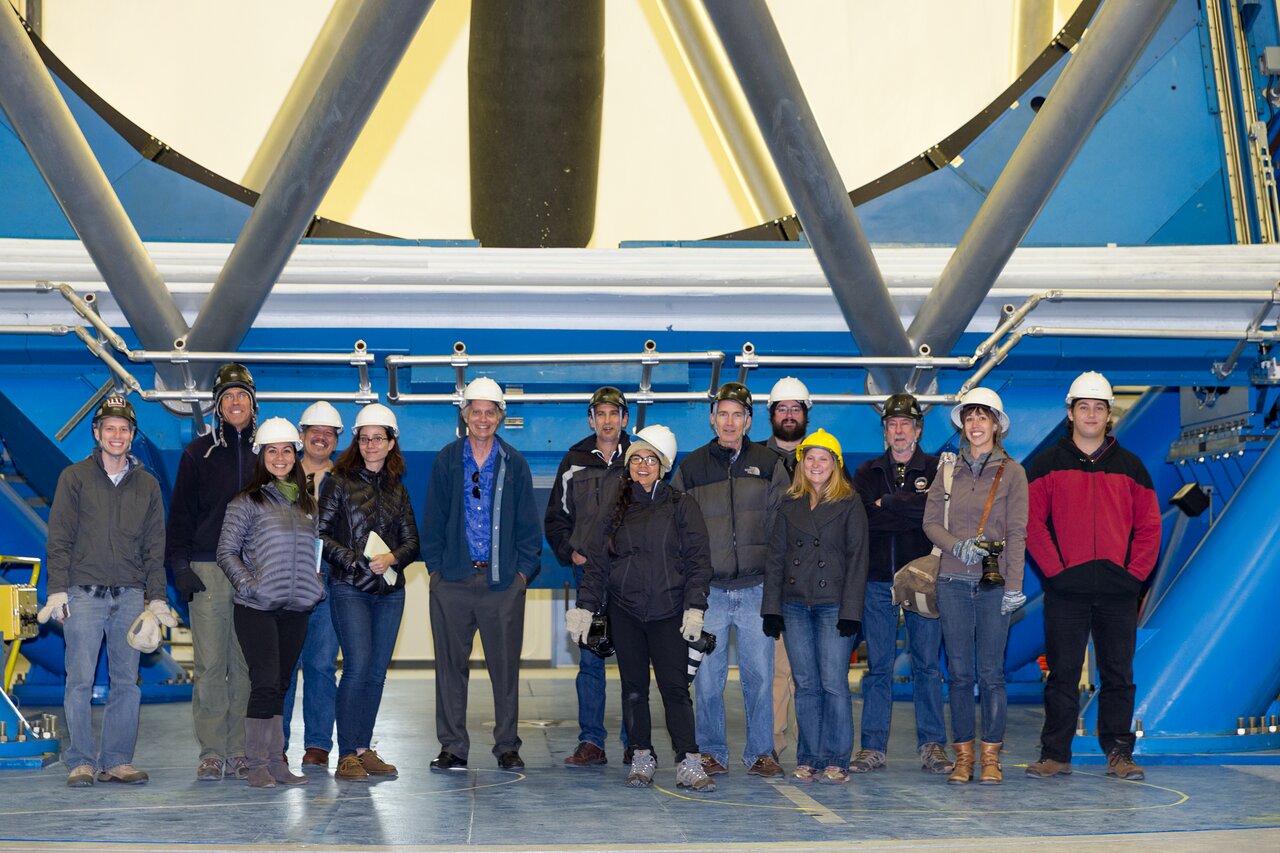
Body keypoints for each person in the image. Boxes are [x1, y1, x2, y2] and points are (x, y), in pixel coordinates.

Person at [1025, 372, 1160, 782]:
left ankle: (1119, 752)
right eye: (1083, 406)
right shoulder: (1047, 464)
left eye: (1098, 408)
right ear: (1070, 413)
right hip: (1066, 590)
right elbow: (1032, 523)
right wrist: (1057, 572)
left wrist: (1133, 576)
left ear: (1108, 416)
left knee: (1118, 675)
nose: (1091, 414)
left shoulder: (1131, 467)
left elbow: (1150, 527)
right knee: (1062, 674)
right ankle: (1055, 755)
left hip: (1118, 591)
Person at [567, 425, 716, 791]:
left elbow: (699, 561)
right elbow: (598, 564)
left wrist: (694, 607)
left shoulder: (682, 506)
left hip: (669, 612)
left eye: (652, 459)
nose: (644, 465)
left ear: (664, 467)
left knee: (675, 690)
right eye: (638, 459)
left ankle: (689, 762)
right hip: (626, 613)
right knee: (633, 690)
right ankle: (641, 757)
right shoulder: (613, 509)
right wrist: (585, 607)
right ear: (629, 465)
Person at [41, 396, 169, 787]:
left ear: (132, 436)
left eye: (124, 429)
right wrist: (57, 590)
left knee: (126, 682)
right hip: (82, 594)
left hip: (130, 595)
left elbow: (154, 544)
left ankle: (116, 760)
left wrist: (157, 597)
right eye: (109, 428)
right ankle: (80, 760)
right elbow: (59, 537)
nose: (117, 435)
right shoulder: (74, 478)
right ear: (96, 433)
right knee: (78, 680)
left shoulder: (147, 485)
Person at [671, 382, 789, 778]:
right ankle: (711, 751)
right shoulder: (690, 468)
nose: (729, 421)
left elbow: (782, 526)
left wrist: (776, 584)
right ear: (712, 419)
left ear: (749, 420)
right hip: (711, 594)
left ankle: (760, 752)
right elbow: (677, 530)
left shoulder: (771, 464)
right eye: (722, 413)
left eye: (737, 414)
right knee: (707, 680)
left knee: (760, 677)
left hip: (757, 589)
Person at [424, 377, 542, 772]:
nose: (483, 418)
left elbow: (529, 528)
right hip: (453, 583)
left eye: (491, 412)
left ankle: (507, 745)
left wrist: (520, 577)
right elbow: (434, 520)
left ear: (500, 417)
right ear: (465, 415)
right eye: (476, 411)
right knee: (449, 670)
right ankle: (453, 747)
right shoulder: (446, 460)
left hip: (501, 586)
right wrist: (437, 574)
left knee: (505, 670)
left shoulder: (516, 464)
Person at [923, 387, 1027, 785]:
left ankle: (992, 759)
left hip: (992, 585)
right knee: (961, 675)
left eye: (983, 417)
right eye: (970, 417)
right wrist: (955, 546)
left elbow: (1017, 532)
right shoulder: (947, 470)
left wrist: (1014, 586)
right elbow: (930, 522)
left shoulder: (1014, 473)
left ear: (997, 425)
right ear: (963, 425)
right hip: (951, 580)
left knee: (992, 674)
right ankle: (964, 756)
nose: (976, 424)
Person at [217, 418, 327, 788]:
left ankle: (277, 763)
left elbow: (312, 554)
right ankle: (257, 764)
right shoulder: (246, 502)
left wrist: (316, 585)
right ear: (261, 457)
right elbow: (226, 552)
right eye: (272, 451)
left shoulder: (307, 505)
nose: (280, 457)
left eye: (286, 450)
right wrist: (250, 587)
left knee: (280, 684)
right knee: (263, 683)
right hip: (256, 608)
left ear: (295, 456)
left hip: (295, 609)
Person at [319, 403, 420, 782]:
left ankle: (363, 748)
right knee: (357, 667)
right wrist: (355, 560)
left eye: (379, 438)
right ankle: (346, 754)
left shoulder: (399, 490)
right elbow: (320, 534)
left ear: (392, 443)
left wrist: (393, 556)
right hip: (350, 588)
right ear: (356, 442)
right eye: (365, 438)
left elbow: (413, 542)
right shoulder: (338, 482)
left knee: (376, 673)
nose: (371, 444)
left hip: (390, 592)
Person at [166, 362, 257, 781]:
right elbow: (181, 514)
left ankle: (239, 749)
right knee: (209, 665)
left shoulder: (270, 451)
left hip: (256, 570)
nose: (236, 402)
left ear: (253, 404)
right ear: (217, 406)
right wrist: (180, 566)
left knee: (244, 665)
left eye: (242, 396)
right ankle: (211, 750)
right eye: (228, 397)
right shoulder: (197, 453)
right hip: (207, 568)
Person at [851, 393, 951, 774]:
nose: (899, 430)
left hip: (922, 581)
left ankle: (932, 745)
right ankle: (872, 748)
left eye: (905, 424)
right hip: (877, 583)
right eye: (892, 424)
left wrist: (886, 504)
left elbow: (930, 515)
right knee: (878, 667)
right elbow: (864, 523)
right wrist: (907, 507)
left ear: (918, 429)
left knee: (927, 665)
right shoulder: (866, 473)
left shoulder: (938, 469)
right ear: (884, 431)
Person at [762, 429, 868, 784]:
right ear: (801, 463)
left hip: (833, 605)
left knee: (834, 683)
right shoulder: (788, 504)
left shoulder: (849, 503)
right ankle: (809, 756)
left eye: (824, 458)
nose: (816, 464)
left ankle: (837, 757)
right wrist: (771, 608)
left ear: (835, 465)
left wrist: (852, 610)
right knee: (806, 684)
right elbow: (776, 558)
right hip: (794, 606)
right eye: (810, 458)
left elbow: (858, 559)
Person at [544, 386, 631, 767]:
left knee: (632, 660)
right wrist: (571, 552)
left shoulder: (641, 457)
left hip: (633, 582)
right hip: (591, 583)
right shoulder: (574, 461)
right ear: (591, 419)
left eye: (615, 414)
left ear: (625, 419)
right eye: (601, 414)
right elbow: (555, 519)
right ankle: (591, 742)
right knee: (592, 660)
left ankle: (636, 741)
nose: (608, 420)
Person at [281, 401, 344, 769]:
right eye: (314, 432)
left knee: (321, 665)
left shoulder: (347, 481)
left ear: (337, 440)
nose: (321, 438)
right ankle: (278, 743)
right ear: (301, 436)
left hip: (329, 586)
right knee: (285, 666)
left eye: (329, 433)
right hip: (285, 587)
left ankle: (318, 745)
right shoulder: (280, 475)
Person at [763, 376, 809, 761]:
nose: (789, 415)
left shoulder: (822, 459)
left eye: (796, 408)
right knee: (778, 672)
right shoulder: (756, 462)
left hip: (814, 584)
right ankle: (774, 746)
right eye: (783, 408)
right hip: (773, 580)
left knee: (808, 674)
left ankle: (810, 748)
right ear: (771, 415)